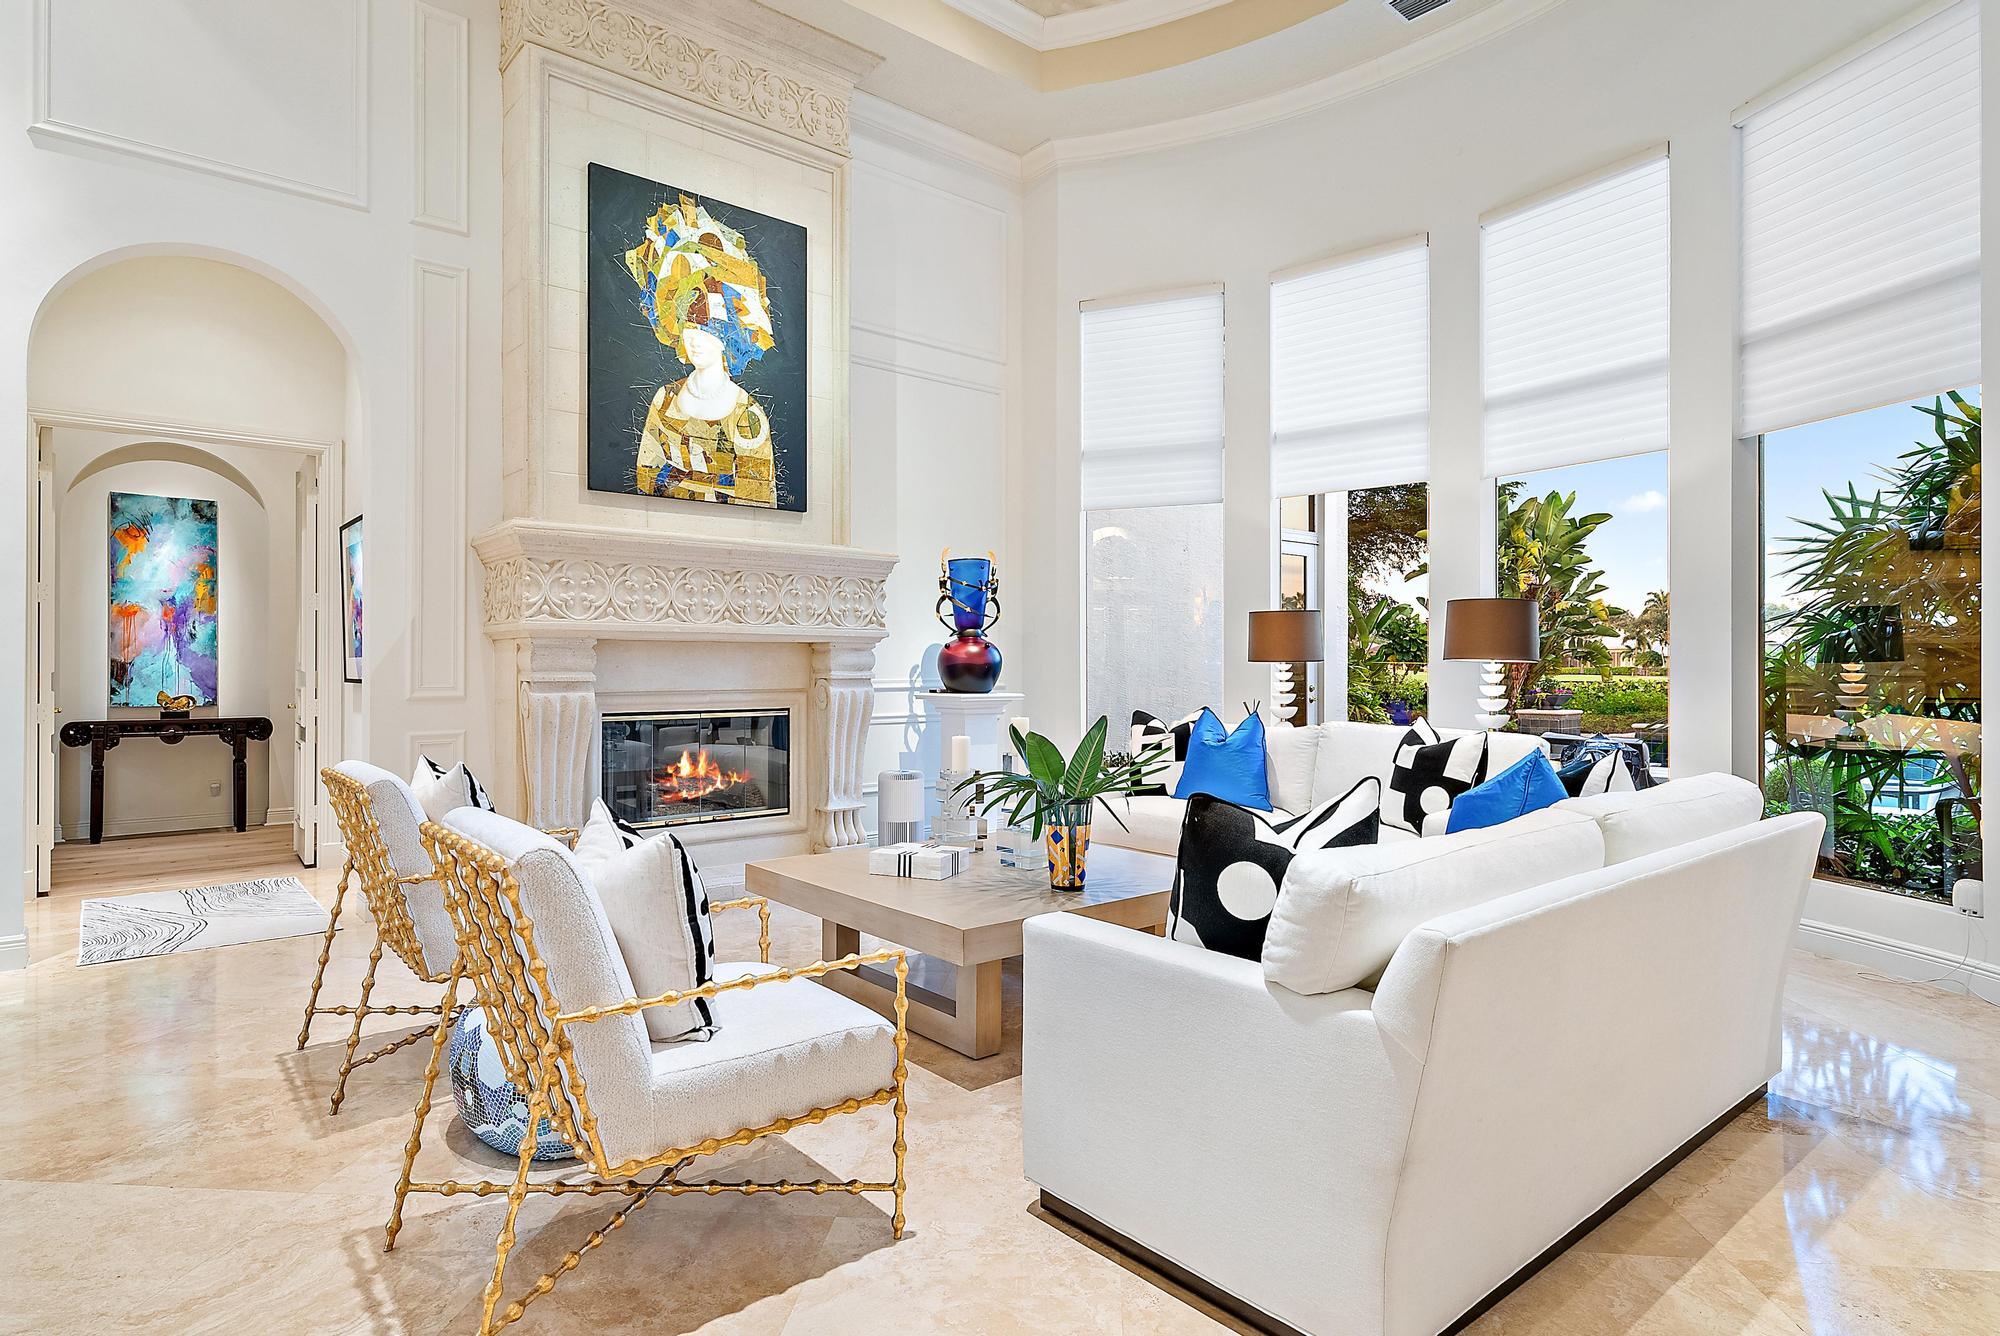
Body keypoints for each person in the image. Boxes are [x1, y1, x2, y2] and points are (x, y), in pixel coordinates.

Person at [623, 194, 779, 506]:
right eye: (689, 328)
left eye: (706, 331)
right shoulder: (665, 400)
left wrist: (680, 482)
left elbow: (758, 500)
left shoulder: (746, 415)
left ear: (728, 338)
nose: (695, 339)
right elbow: (645, 478)